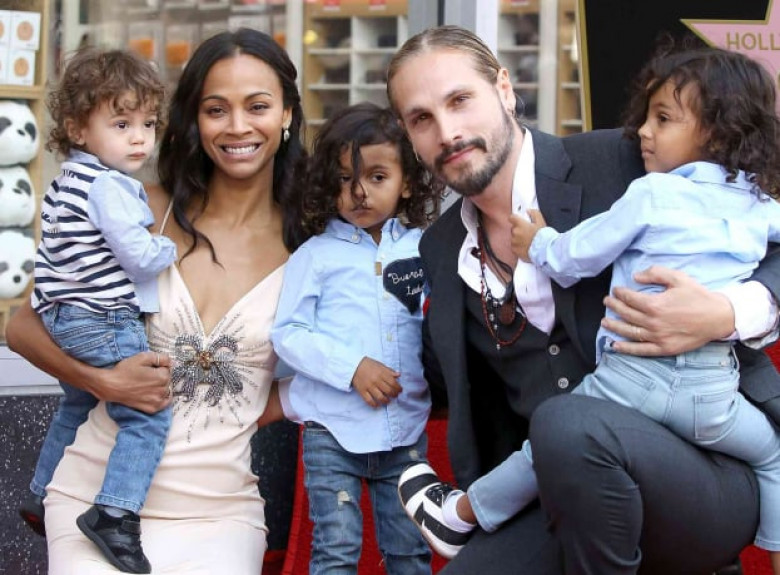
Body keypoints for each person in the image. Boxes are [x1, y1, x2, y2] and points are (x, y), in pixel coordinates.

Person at [388, 25, 780, 575]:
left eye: (460, 100)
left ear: (504, 89)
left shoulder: (627, 159)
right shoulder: (441, 247)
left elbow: (759, 225)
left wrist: (729, 312)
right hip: (561, 490)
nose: (447, 132)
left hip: (706, 466)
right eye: (421, 119)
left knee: (568, 421)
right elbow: (466, 391)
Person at [5, 28, 307, 575]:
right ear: (195, 120)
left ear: (286, 113)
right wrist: (103, 382)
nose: (238, 126)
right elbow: (24, 328)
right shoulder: (139, 208)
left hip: (220, 512)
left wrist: (248, 408)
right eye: (216, 109)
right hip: (90, 498)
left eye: (258, 106)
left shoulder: (311, 244)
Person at [20, 47, 176, 574]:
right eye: (121, 124)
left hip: (62, 315)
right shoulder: (110, 186)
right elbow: (137, 254)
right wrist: (167, 248)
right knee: (149, 414)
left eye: (148, 124)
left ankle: (42, 491)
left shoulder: (68, 179)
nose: (139, 138)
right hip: (104, 317)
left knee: (77, 404)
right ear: (78, 129)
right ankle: (115, 513)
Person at [271, 102, 442, 575]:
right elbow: (288, 333)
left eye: (377, 177)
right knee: (336, 551)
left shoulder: (425, 248)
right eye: (345, 179)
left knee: (410, 551)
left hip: (405, 431)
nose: (359, 192)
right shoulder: (316, 255)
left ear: (407, 182)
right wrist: (353, 368)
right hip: (332, 431)